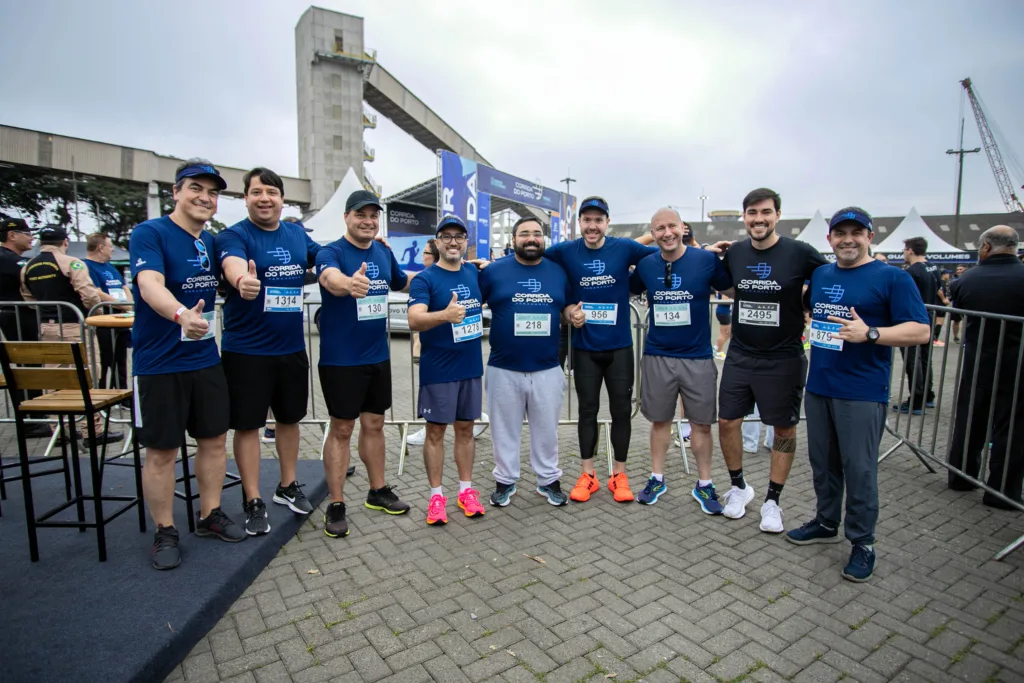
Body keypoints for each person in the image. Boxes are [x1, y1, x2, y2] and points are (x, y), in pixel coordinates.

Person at [787, 207, 930, 583]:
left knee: (860, 469)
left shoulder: (891, 278)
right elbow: (812, 312)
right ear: (830, 238)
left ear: (870, 236)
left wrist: (871, 334)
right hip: (819, 387)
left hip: (863, 391)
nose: (847, 239)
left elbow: (920, 331)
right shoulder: (821, 274)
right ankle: (825, 520)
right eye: (840, 233)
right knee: (823, 463)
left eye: (856, 232)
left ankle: (863, 542)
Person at [129, 159, 245, 570]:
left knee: (213, 440)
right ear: (175, 191)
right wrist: (181, 315)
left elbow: (231, 266)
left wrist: (240, 282)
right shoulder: (150, 233)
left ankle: (209, 513)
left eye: (213, 193)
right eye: (196, 188)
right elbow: (149, 285)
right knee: (162, 450)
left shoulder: (210, 241)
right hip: (159, 363)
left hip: (205, 358)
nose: (205, 197)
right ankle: (165, 530)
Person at [711, 188, 828, 533]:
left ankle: (773, 501)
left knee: (784, 428)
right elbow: (728, 286)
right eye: (752, 213)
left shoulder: (800, 252)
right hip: (741, 354)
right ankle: (738, 487)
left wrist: (809, 305)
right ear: (743, 216)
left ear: (777, 215)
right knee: (727, 421)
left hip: (784, 357)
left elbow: (832, 278)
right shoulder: (735, 253)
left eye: (765, 212)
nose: (758, 219)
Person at [213, 168, 321, 536]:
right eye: (256, 192)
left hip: (290, 349)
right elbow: (232, 264)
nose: (264, 198)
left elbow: (325, 257)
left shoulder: (295, 233)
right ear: (245, 198)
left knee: (289, 420)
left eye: (271, 192)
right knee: (248, 426)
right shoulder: (233, 235)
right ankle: (252, 498)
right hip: (247, 352)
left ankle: (287, 485)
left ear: (282, 199)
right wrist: (242, 280)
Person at [544, 196, 657, 503]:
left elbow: (664, 252)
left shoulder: (624, 248)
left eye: (598, 220)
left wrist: (700, 253)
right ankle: (588, 474)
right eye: (587, 220)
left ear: (607, 223)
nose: (592, 226)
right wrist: (568, 311)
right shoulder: (566, 250)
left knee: (622, 411)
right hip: (584, 348)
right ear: (579, 223)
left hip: (619, 347)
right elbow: (533, 257)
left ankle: (619, 475)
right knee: (587, 411)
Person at [316, 190, 412, 538]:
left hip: (378, 356)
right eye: (361, 215)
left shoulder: (383, 251)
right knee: (342, 429)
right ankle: (337, 502)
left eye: (373, 215)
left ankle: (378, 490)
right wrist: (349, 283)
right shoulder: (332, 252)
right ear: (346, 217)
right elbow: (329, 278)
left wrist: (452, 272)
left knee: (375, 424)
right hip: (341, 360)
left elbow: (404, 282)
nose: (368, 221)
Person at [629, 208, 732, 510]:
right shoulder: (647, 265)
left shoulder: (705, 260)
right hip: (658, 354)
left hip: (697, 357)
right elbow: (623, 289)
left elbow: (733, 289)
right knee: (660, 421)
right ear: (654, 233)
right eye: (659, 229)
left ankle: (705, 484)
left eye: (671, 226)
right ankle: (656, 477)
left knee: (701, 424)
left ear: (683, 227)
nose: (666, 233)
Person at [480, 216, 577, 508]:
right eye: (524, 234)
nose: (531, 238)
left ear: (544, 239)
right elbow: (470, 303)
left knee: (546, 428)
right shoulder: (493, 272)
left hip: (547, 367)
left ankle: (548, 480)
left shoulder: (559, 272)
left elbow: (567, 306)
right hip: (503, 366)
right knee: (503, 429)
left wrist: (573, 314)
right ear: (513, 240)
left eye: (537, 233)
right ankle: (505, 480)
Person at [408, 215, 488, 524]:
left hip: (470, 366)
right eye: (446, 236)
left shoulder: (475, 273)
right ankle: (436, 496)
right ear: (437, 242)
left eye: (459, 236)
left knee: (466, 430)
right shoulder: (425, 279)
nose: (453, 241)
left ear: (466, 241)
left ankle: (466, 490)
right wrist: (445, 314)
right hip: (438, 369)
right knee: (436, 432)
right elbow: (415, 319)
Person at [21, 225, 122, 447]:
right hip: (75, 326)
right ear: (65, 242)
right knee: (88, 376)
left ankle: (59, 430)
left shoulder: (28, 266)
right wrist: (95, 311)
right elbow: (88, 294)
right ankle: (92, 431)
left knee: (53, 380)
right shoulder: (72, 263)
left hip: (46, 328)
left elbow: (27, 298)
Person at [946, 226, 1024, 509]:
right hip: (1017, 364)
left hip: (977, 359)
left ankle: (960, 477)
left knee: (969, 420)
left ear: (986, 247)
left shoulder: (967, 279)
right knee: (1012, 428)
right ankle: (1002, 491)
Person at [0, 217, 51, 436]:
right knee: (28, 367)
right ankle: (32, 419)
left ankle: (33, 417)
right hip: (17, 318)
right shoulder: (9, 260)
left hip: (17, 317)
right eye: (26, 233)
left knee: (28, 366)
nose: (31, 238)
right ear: (12, 235)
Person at [895, 237, 940, 414]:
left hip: (912, 319)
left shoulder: (911, 272)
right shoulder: (933, 267)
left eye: (904, 250)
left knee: (913, 361)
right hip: (928, 316)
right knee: (924, 358)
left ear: (910, 250)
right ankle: (928, 394)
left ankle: (917, 400)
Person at [84, 233, 132, 393]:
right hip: (104, 319)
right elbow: (96, 291)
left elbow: (124, 286)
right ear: (100, 247)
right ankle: (102, 393)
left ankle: (122, 392)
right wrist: (120, 305)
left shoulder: (110, 266)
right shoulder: (87, 266)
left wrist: (129, 305)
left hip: (121, 318)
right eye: (110, 246)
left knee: (121, 359)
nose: (112, 249)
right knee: (104, 360)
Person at [411, 238, 439, 364]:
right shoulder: (421, 277)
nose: (423, 255)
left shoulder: (431, 278)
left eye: (426, 252)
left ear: (434, 256)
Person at [949, 265, 967, 343]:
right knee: (956, 321)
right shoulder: (954, 280)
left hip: (966, 304)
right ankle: (956, 337)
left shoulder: (968, 279)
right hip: (956, 305)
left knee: (967, 322)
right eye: (958, 269)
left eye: (961, 269)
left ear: (965, 269)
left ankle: (965, 338)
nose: (959, 270)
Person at [714, 292, 731, 360]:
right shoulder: (725, 290)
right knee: (724, 334)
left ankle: (717, 347)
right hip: (723, 312)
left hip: (723, 311)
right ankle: (719, 352)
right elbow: (725, 299)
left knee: (727, 333)